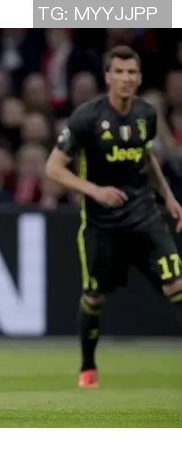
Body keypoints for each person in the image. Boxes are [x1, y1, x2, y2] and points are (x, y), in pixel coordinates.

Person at [45, 45, 182, 388]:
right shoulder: (87, 117)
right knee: (94, 297)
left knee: (177, 284)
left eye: (131, 72)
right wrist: (95, 191)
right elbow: (53, 167)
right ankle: (87, 367)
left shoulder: (147, 113)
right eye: (119, 72)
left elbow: (147, 157)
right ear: (108, 77)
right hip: (101, 224)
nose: (126, 78)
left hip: (145, 216)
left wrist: (168, 197)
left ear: (139, 77)